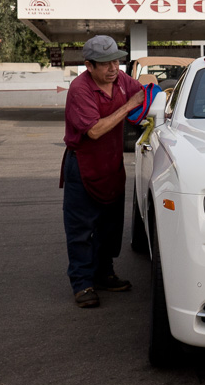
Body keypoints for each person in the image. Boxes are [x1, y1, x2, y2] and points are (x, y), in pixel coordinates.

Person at [61, 35, 145, 308]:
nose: (113, 68)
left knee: (109, 226)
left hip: (111, 163)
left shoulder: (120, 80)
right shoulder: (80, 89)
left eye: (117, 61)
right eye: (106, 64)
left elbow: (145, 88)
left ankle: (103, 273)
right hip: (84, 164)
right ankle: (82, 283)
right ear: (89, 65)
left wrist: (152, 89)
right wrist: (130, 106)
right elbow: (94, 130)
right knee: (82, 229)